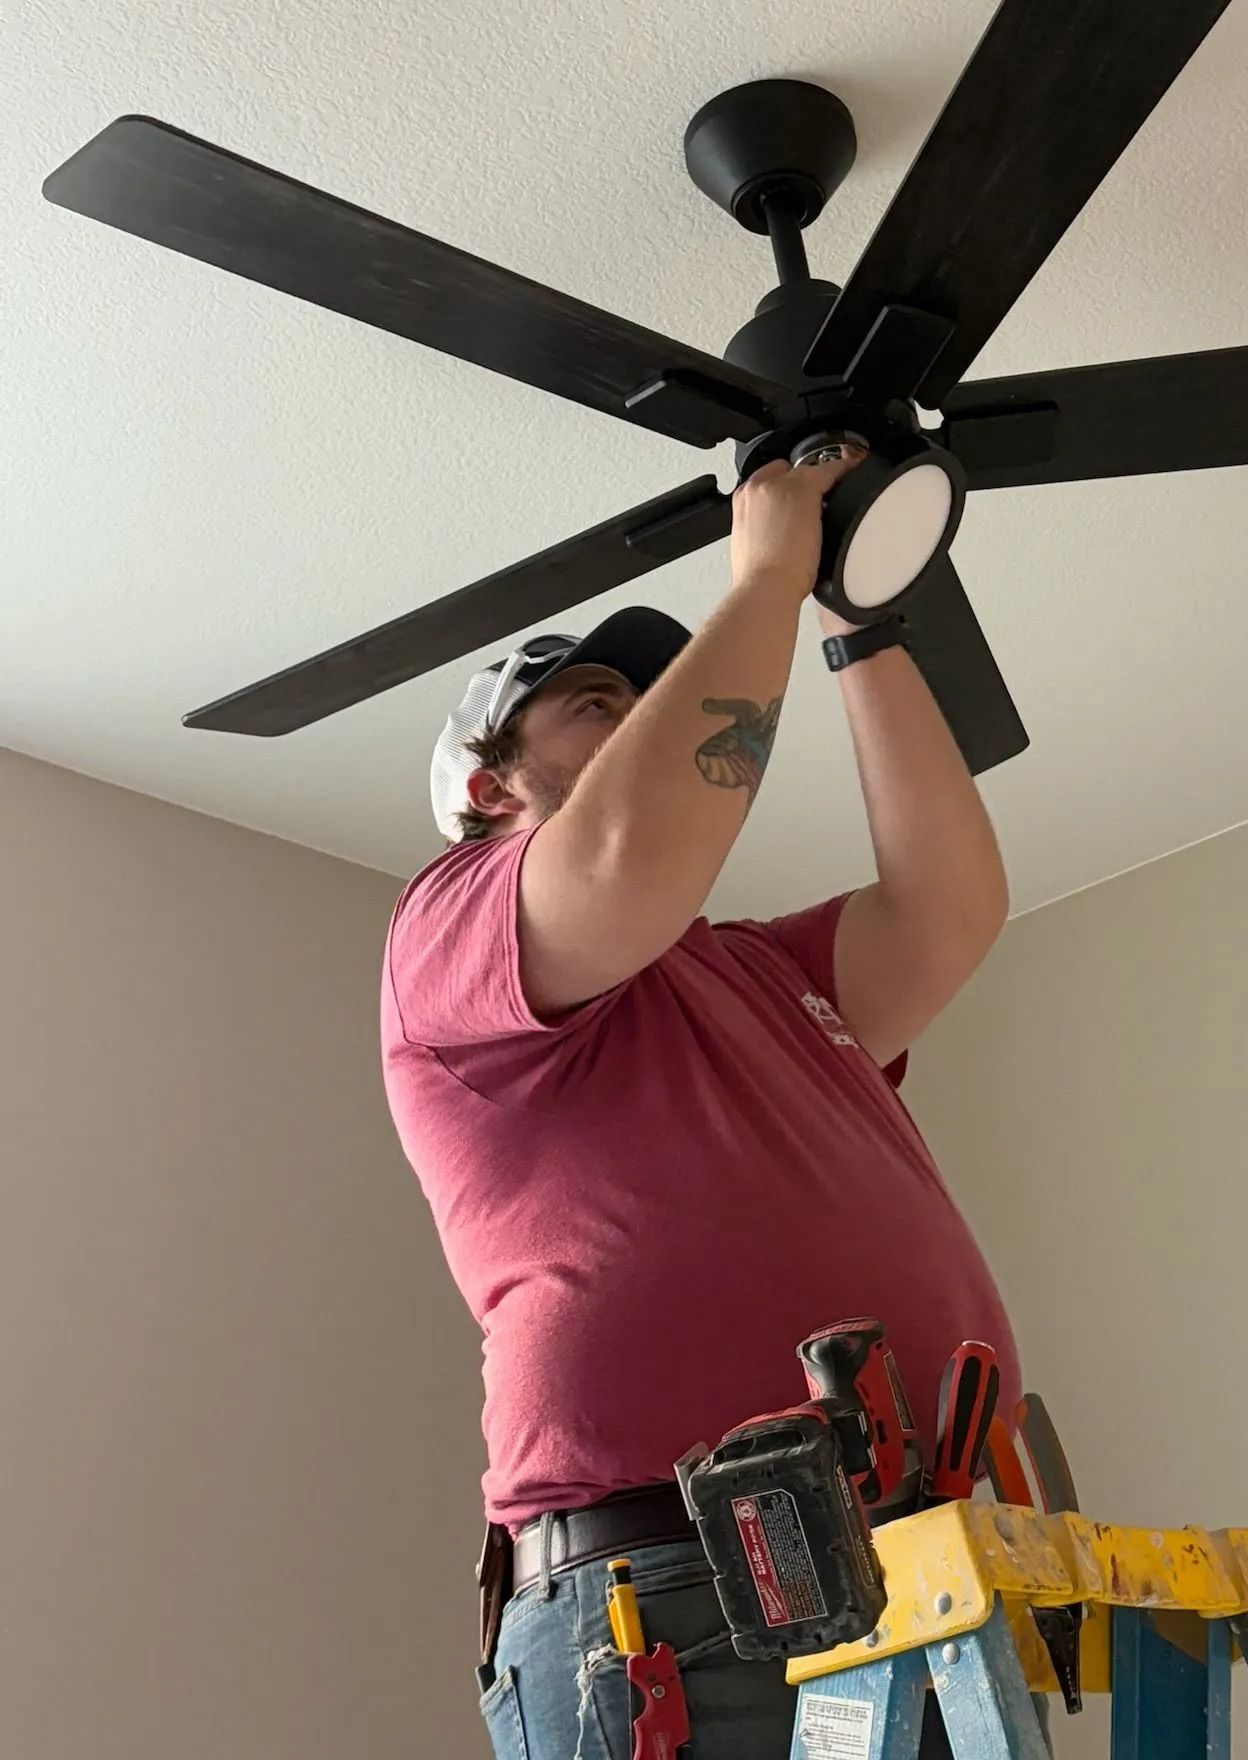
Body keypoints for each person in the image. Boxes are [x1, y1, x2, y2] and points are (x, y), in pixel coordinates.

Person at [381, 451, 1027, 1759]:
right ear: (490, 789)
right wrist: (771, 576)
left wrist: (859, 618)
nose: (652, 712)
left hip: (928, 1574)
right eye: (599, 703)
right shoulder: (447, 934)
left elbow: (951, 908)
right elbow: (626, 852)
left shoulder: (759, 974)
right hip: (674, 1599)